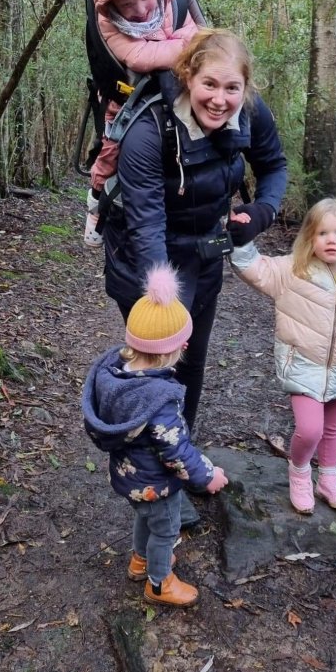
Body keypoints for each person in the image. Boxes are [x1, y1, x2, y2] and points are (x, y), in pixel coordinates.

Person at [102, 26, 287, 434]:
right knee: (156, 358)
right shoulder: (150, 130)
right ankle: (144, 450)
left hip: (204, 254)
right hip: (142, 258)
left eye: (232, 87)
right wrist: (162, 300)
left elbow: (274, 165)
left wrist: (262, 211)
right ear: (188, 76)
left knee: (192, 358)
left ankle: (179, 444)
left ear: (245, 87)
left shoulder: (251, 113)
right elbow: (146, 221)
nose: (220, 100)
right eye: (209, 84)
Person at [230, 198, 336, 514]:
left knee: (333, 429)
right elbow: (254, 268)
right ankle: (301, 472)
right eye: (321, 233)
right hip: (303, 365)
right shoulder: (293, 270)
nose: (330, 239)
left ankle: (329, 479)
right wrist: (241, 237)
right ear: (309, 238)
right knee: (311, 429)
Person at [82, 264, 228, 608]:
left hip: (128, 474)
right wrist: (207, 476)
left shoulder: (116, 376)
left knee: (144, 517)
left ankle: (139, 560)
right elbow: (176, 451)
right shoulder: (159, 399)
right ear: (167, 352)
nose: (187, 345)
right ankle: (159, 583)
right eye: (182, 342)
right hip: (156, 483)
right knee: (165, 530)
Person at [84, 0, 200, 247]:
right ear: (111, 5)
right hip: (127, 96)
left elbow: (197, 36)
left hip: (174, 88)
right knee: (112, 146)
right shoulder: (110, 22)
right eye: (127, 4)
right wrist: (182, 49)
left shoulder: (172, 4)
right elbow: (138, 56)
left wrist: (185, 46)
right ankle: (97, 198)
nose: (140, 10)